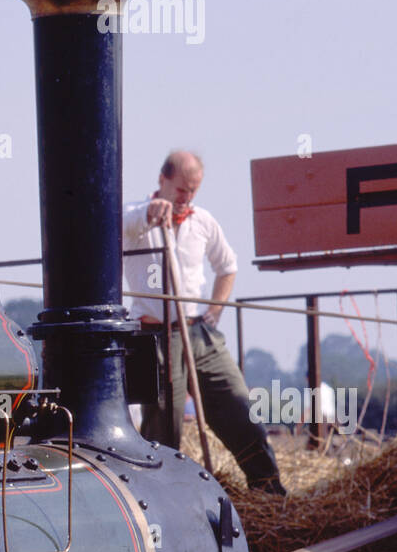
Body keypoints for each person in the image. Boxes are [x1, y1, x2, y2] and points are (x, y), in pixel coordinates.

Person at [123, 150, 287, 495]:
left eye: (194, 190)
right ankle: (164, 501)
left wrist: (215, 310)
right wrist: (151, 213)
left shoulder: (203, 221)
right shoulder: (134, 218)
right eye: (182, 189)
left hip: (200, 331)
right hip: (156, 337)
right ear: (162, 180)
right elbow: (126, 222)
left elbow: (227, 265)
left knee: (238, 407)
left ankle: (269, 492)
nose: (187, 197)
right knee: (163, 431)